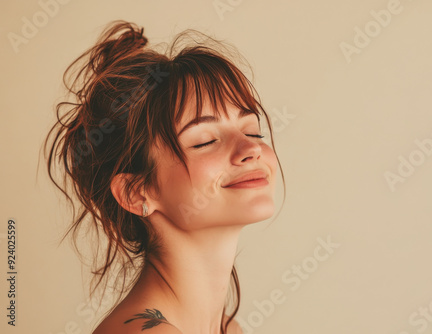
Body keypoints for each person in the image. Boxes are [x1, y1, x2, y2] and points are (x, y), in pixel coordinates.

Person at [44, 20, 284, 334]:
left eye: (252, 130)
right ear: (136, 193)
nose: (250, 148)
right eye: (205, 141)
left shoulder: (228, 329)